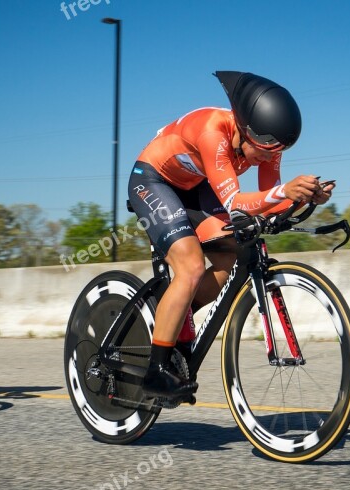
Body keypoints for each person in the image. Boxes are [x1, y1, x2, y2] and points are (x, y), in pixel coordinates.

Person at [127, 71, 335, 399]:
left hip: (196, 187)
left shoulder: (267, 143)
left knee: (229, 259)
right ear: (244, 127)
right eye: (265, 148)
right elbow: (237, 202)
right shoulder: (214, 133)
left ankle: (176, 315)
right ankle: (155, 371)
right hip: (154, 182)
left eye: (276, 149)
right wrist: (287, 190)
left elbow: (268, 202)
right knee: (192, 266)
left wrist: (301, 197)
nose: (269, 155)